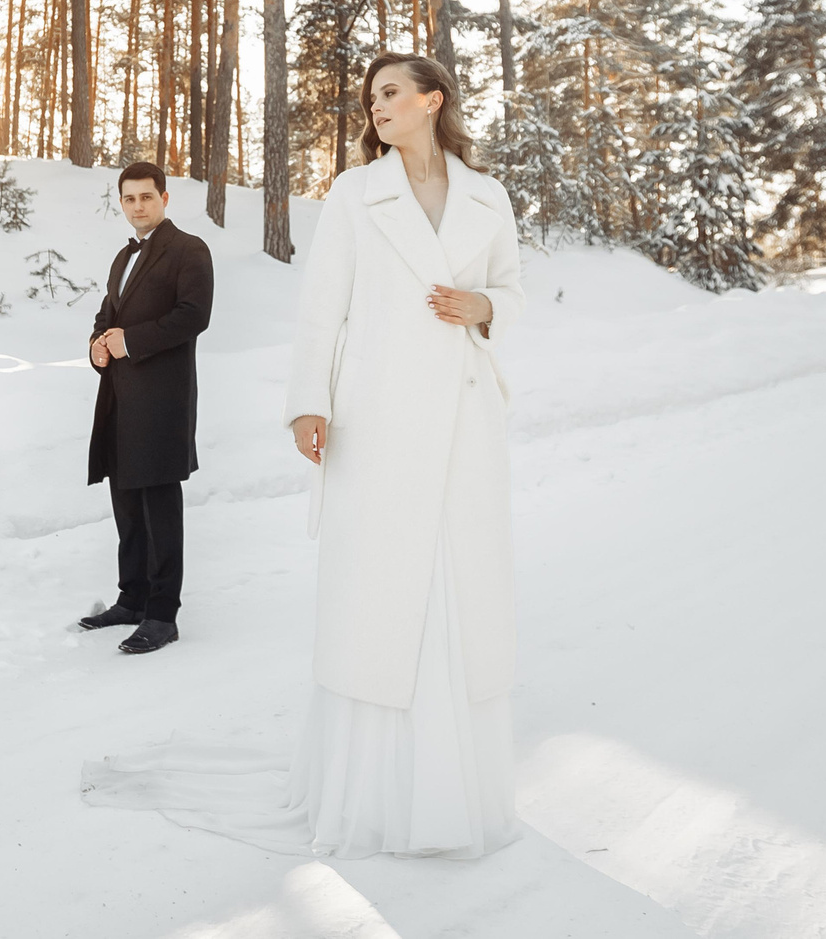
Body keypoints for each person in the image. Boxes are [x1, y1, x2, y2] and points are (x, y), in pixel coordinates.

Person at [82, 53, 526, 858]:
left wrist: (484, 303)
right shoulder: (357, 193)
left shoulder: (488, 196)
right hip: (377, 416)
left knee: (457, 587)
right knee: (381, 588)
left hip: (466, 420)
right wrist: (308, 401)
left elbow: (514, 297)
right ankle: (372, 791)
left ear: (432, 100)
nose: (376, 104)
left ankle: (453, 790)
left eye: (391, 92)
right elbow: (324, 306)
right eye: (371, 95)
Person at [77, 160, 214, 655]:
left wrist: (129, 342)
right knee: (127, 507)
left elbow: (193, 316)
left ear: (164, 198)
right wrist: (97, 343)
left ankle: (161, 614)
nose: (138, 206)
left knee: (159, 509)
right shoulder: (123, 256)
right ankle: (132, 599)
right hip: (119, 400)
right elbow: (107, 314)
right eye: (129, 198)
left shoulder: (189, 250)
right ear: (122, 203)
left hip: (161, 402)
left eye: (147, 197)